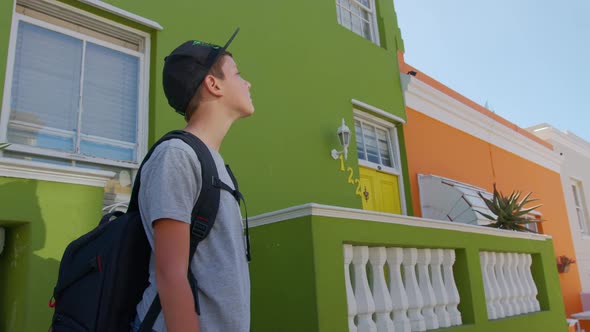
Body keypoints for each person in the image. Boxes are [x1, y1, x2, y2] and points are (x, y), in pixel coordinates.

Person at [131, 28, 253, 332]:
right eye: (237, 74)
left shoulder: (215, 165)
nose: (247, 82)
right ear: (213, 84)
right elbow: (170, 275)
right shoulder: (176, 156)